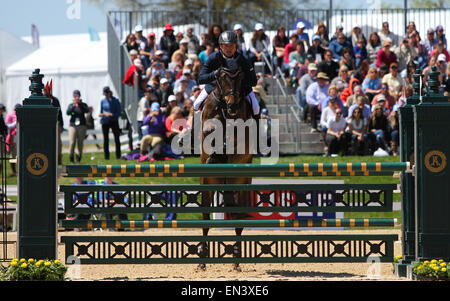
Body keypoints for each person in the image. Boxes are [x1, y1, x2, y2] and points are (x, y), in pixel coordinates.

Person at [194, 31, 259, 116]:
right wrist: (214, 74)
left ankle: (257, 128)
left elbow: (253, 81)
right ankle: (195, 129)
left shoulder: (243, 59)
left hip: (239, 90)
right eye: (226, 46)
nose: (229, 49)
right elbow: (200, 79)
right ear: (221, 46)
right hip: (215, 87)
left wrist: (240, 79)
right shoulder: (213, 58)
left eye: (231, 46)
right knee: (196, 104)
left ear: (236, 46)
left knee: (256, 108)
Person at [43, 80, 64, 165]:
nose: (45, 92)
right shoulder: (42, 100)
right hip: (45, 125)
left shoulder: (55, 100)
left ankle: (59, 160)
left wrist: (61, 124)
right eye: (45, 90)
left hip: (55, 123)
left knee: (58, 143)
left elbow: (60, 113)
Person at [66, 90, 89, 163]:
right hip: (73, 125)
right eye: (75, 96)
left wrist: (80, 104)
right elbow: (68, 112)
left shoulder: (83, 104)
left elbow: (87, 110)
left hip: (81, 125)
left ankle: (79, 157)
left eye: (77, 96)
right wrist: (73, 105)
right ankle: (71, 157)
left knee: (80, 142)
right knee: (72, 142)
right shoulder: (71, 105)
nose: (77, 97)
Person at [99, 86, 122, 160]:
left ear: (109, 93)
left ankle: (118, 156)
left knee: (117, 139)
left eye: (107, 94)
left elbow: (118, 112)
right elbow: (101, 111)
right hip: (105, 121)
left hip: (114, 121)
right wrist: (102, 114)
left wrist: (112, 114)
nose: (106, 95)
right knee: (106, 139)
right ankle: (107, 157)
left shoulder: (115, 100)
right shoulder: (103, 101)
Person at [5, 104, 20, 176]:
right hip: (13, 136)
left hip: (20, 135)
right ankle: (14, 171)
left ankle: (20, 170)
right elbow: (7, 125)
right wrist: (16, 122)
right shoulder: (10, 115)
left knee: (20, 154)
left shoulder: (21, 114)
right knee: (13, 154)